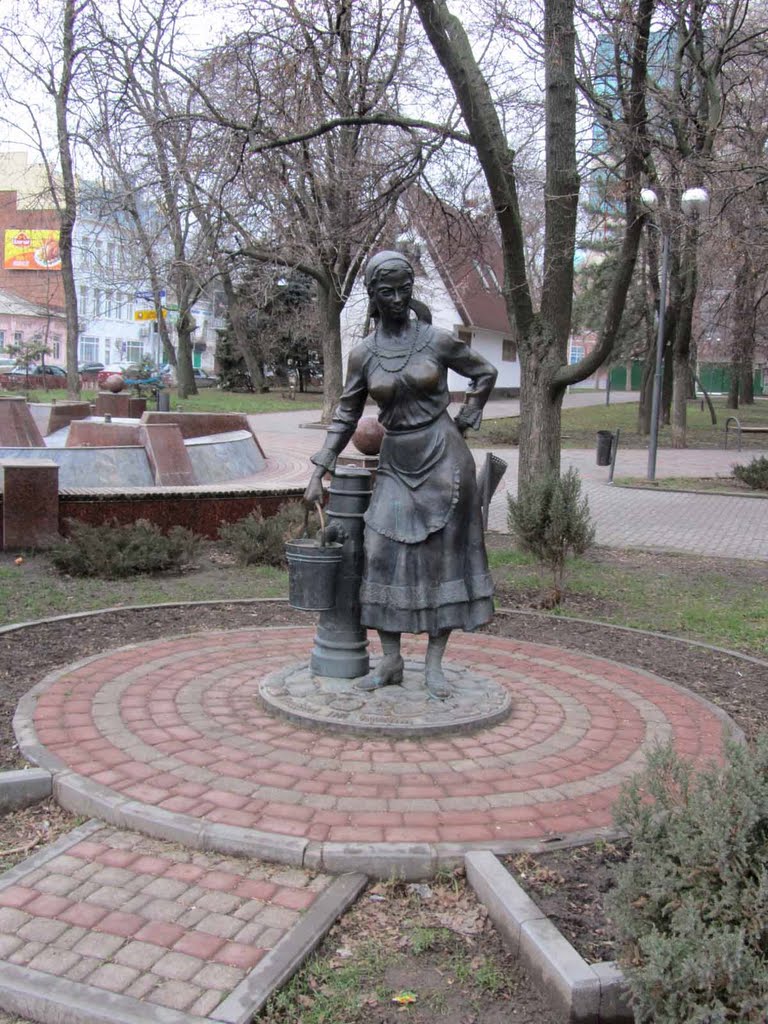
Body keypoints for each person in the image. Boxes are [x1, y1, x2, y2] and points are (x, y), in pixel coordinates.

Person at [303, 250, 497, 698]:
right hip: (396, 462)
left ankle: (433, 666)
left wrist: (470, 414)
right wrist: (321, 466)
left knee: (442, 561)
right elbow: (345, 415)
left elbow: (483, 372)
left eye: (403, 290)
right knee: (379, 551)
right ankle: (390, 661)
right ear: (372, 295)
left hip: (444, 457)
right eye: (386, 291)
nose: (395, 299)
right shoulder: (363, 354)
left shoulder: (436, 340)